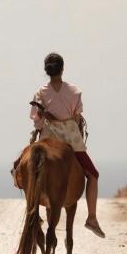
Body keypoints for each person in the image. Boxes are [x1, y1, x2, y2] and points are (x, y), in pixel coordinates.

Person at [30, 52, 105, 238]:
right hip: (71, 140)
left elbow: (36, 120)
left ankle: (33, 211)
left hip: (49, 139)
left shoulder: (40, 93)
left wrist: (41, 125)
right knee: (93, 174)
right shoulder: (75, 92)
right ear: (63, 69)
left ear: (46, 71)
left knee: (30, 171)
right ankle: (92, 218)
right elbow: (77, 117)